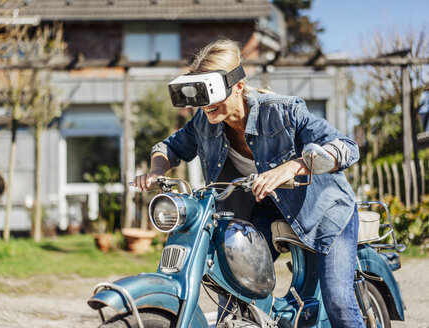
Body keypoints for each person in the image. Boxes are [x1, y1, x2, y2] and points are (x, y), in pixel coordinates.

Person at [133, 38, 364, 327]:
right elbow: (168, 148)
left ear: (238, 86)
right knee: (233, 289)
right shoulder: (203, 122)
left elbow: (345, 146)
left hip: (324, 212)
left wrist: (293, 167)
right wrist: (156, 170)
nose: (205, 105)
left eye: (211, 92)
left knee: (339, 303)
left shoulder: (284, 111)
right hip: (266, 213)